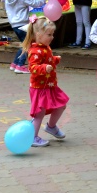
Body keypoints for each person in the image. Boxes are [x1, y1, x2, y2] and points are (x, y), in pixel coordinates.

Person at [21, 15, 69, 147]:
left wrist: (53, 60)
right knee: (39, 113)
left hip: (51, 85)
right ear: (38, 34)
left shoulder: (45, 47)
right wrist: (44, 68)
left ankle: (51, 127)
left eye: (52, 34)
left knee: (61, 105)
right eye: (49, 34)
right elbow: (33, 67)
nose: (52, 37)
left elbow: (46, 61)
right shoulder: (35, 50)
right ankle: (33, 137)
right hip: (39, 88)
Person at [5, 0, 51, 74]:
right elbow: (34, 3)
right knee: (29, 44)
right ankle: (20, 65)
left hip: (14, 23)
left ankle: (15, 63)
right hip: (21, 22)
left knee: (24, 43)